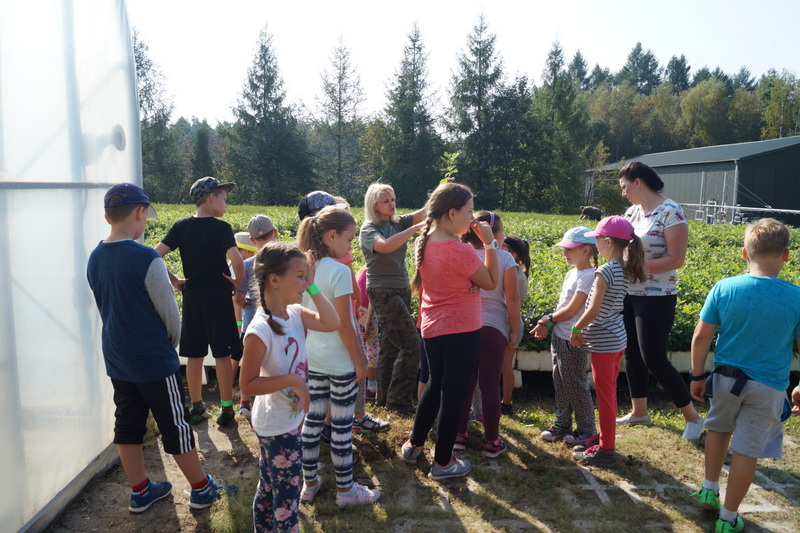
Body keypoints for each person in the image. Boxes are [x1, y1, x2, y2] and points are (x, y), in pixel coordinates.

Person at [87, 183, 236, 514]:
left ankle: (140, 491)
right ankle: (201, 489)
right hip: (153, 359)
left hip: (117, 356)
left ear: (107, 217)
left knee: (127, 425)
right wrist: (168, 347)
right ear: (141, 213)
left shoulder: (95, 257)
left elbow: (103, 304)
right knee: (176, 425)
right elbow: (170, 315)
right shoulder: (146, 258)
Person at [688, 218, 800, 533]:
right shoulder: (797, 296)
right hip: (768, 387)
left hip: (725, 379)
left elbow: (701, 336)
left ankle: (708, 488)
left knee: (718, 428)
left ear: (744, 253)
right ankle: (728, 518)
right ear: (786, 255)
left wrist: (697, 375)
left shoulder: (724, 287)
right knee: (747, 450)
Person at [401, 182, 500, 480]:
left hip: (432, 328)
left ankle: (414, 445)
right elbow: (491, 282)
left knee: (435, 385)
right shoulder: (461, 251)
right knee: (454, 395)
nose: (472, 218)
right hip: (461, 329)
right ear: (452, 212)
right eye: (469, 211)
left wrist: (469, 282)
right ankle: (443, 462)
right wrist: (490, 244)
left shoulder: (424, 242)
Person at [239, 242, 340, 532]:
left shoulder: (294, 313)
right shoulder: (260, 330)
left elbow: (332, 322)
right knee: (287, 499)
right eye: (299, 276)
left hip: (288, 420)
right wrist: (293, 380)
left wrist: (312, 285)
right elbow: (247, 384)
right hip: (276, 426)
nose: (305, 283)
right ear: (274, 280)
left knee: (269, 487)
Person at [296, 206, 382, 507]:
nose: (350, 245)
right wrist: (360, 361)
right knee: (342, 429)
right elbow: (345, 325)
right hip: (341, 362)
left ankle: (309, 484)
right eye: (349, 239)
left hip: (313, 359)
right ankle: (346, 491)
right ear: (331, 236)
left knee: (312, 423)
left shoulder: (305, 268)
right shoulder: (340, 271)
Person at [616, 162, 704, 440]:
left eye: (625, 187)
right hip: (629, 292)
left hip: (657, 295)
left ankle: (693, 417)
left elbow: (676, 259)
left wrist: (637, 266)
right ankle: (639, 411)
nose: (623, 193)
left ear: (638, 182)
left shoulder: (671, 211)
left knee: (654, 358)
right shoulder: (632, 213)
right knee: (632, 354)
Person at [155, 176, 243, 428]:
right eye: (224, 199)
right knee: (222, 354)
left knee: (194, 354)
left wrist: (175, 281)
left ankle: (196, 407)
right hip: (218, 296)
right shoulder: (222, 228)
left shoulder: (181, 226)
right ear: (212, 197)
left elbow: (154, 255)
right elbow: (237, 261)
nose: (226, 204)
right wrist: (236, 282)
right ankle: (226, 408)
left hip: (193, 295)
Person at [569, 216, 646, 466]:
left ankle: (606, 449)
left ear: (609, 242)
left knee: (605, 397)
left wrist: (576, 328)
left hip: (604, 343)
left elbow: (593, 311)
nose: (595, 245)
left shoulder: (605, 271)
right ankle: (604, 438)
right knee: (609, 393)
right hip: (616, 339)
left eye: (597, 240)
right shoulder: (624, 268)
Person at [454, 211, 520, 458]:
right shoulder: (504, 258)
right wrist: (513, 330)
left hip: (464, 326)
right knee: (490, 385)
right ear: (494, 234)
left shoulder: (462, 253)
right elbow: (513, 299)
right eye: (502, 231)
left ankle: (459, 435)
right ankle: (492, 441)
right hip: (494, 328)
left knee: (464, 384)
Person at [359, 183, 428, 414]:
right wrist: (414, 228)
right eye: (386, 201)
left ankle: (384, 398)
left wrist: (442, 189)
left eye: (393, 199)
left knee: (390, 346)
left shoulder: (397, 222)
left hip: (401, 288)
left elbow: (425, 211)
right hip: (383, 291)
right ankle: (399, 401)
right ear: (374, 206)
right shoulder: (369, 230)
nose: (392, 204)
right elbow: (386, 246)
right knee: (411, 344)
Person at [531, 227, 598, 447]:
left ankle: (587, 430)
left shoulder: (589, 276)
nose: (565, 253)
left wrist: (546, 319)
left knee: (576, 384)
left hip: (574, 340)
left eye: (570, 249)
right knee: (560, 382)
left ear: (586, 250)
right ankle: (563, 424)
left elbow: (571, 310)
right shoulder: (572, 273)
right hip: (560, 337)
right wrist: (549, 324)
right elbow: (564, 308)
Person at [235, 214, 279, 418]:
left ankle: (245, 403)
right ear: (275, 233)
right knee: (274, 361)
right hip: (278, 317)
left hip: (252, 319)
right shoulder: (285, 261)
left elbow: (239, 298)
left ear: (252, 241)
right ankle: (272, 402)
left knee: (249, 362)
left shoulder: (247, 264)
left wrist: (248, 307)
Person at [501, 235, 531, 414]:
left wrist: (512, 330)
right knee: (504, 365)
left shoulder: (517, 276)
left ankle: (506, 402)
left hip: (510, 324)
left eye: (503, 247)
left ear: (512, 254)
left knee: (505, 366)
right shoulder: (510, 270)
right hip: (506, 323)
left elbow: (515, 304)